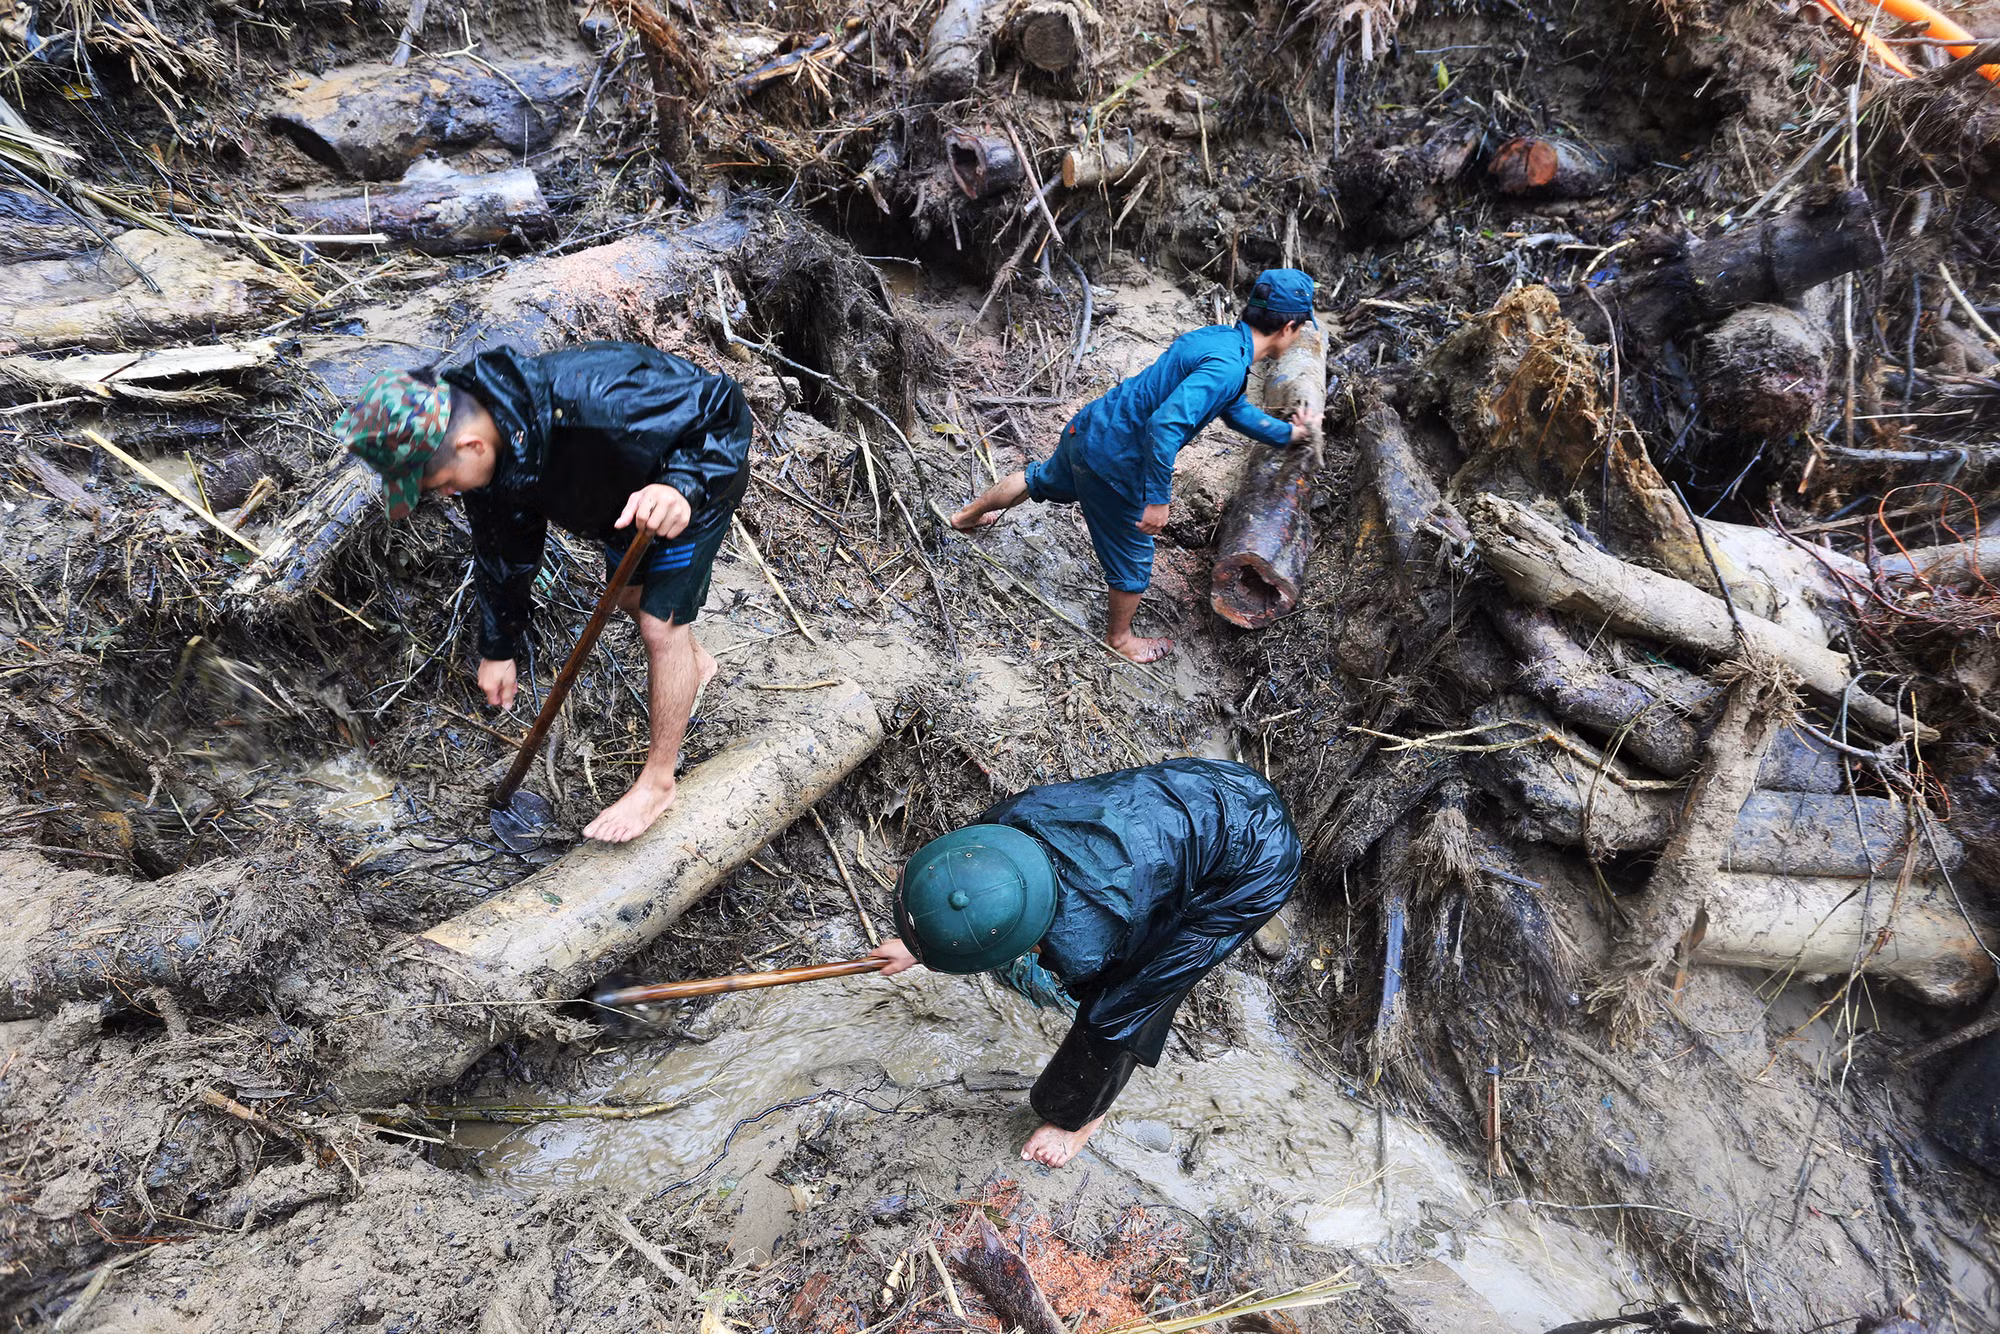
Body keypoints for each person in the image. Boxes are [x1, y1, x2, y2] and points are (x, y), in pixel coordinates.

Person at [337, 342, 752, 843]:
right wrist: (499, 648)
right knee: (630, 598)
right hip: (625, 505)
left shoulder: (597, 399)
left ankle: (658, 784)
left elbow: (725, 407)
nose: (444, 494)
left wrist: (683, 484)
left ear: (471, 445)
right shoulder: (491, 457)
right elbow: (503, 555)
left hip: (692, 487)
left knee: (659, 626)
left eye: (441, 482)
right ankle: (694, 665)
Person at [866, 758, 1301, 1168]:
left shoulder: (1087, 939)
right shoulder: (996, 833)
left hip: (1255, 867)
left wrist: (1070, 1112)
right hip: (1198, 792)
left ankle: (1083, 1123)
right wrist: (924, 943)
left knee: (1130, 998)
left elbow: (1114, 1016)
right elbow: (972, 895)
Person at [949, 269, 1320, 664]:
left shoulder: (1218, 340)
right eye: (1300, 330)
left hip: (1089, 430)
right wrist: (1158, 500)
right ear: (1288, 328)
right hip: (1115, 462)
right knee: (1135, 557)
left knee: (1038, 478)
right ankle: (1120, 639)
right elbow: (1164, 427)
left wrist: (1288, 434)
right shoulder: (1227, 367)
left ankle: (965, 517)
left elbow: (1234, 408)